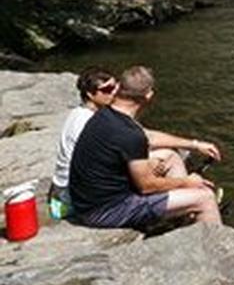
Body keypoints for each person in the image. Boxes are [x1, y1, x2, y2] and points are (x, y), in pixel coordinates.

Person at [69, 66, 223, 229]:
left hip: (90, 202)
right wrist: (187, 181)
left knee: (170, 156)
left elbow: (148, 137)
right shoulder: (129, 134)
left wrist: (195, 145)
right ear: (148, 95)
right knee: (205, 198)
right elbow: (146, 186)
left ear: (119, 88)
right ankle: (218, 248)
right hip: (106, 211)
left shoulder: (106, 113)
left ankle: (184, 216)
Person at [48, 68, 120, 220]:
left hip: (66, 186)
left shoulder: (80, 113)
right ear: (90, 94)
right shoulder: (89, 122)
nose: (114, 93)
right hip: (73, 193)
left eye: (116, 87)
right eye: (107, 89)